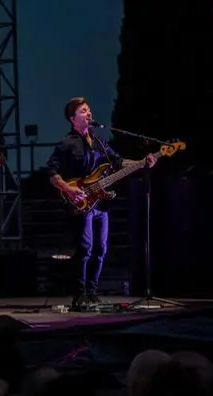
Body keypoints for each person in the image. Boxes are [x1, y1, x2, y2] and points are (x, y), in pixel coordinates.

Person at [46, 97, 156, 307]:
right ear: (72, 119)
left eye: (89, 110)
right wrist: (68, 189)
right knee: (85, 248)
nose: (88, 113)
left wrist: (142, 163)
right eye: (83, 111)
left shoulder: (99, 142)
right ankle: (80, 294)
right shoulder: (66, 143)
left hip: (101, 204)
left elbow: (118, 162)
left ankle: (92, 291)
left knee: (101, 249)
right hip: (82, 201)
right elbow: (52, 172)